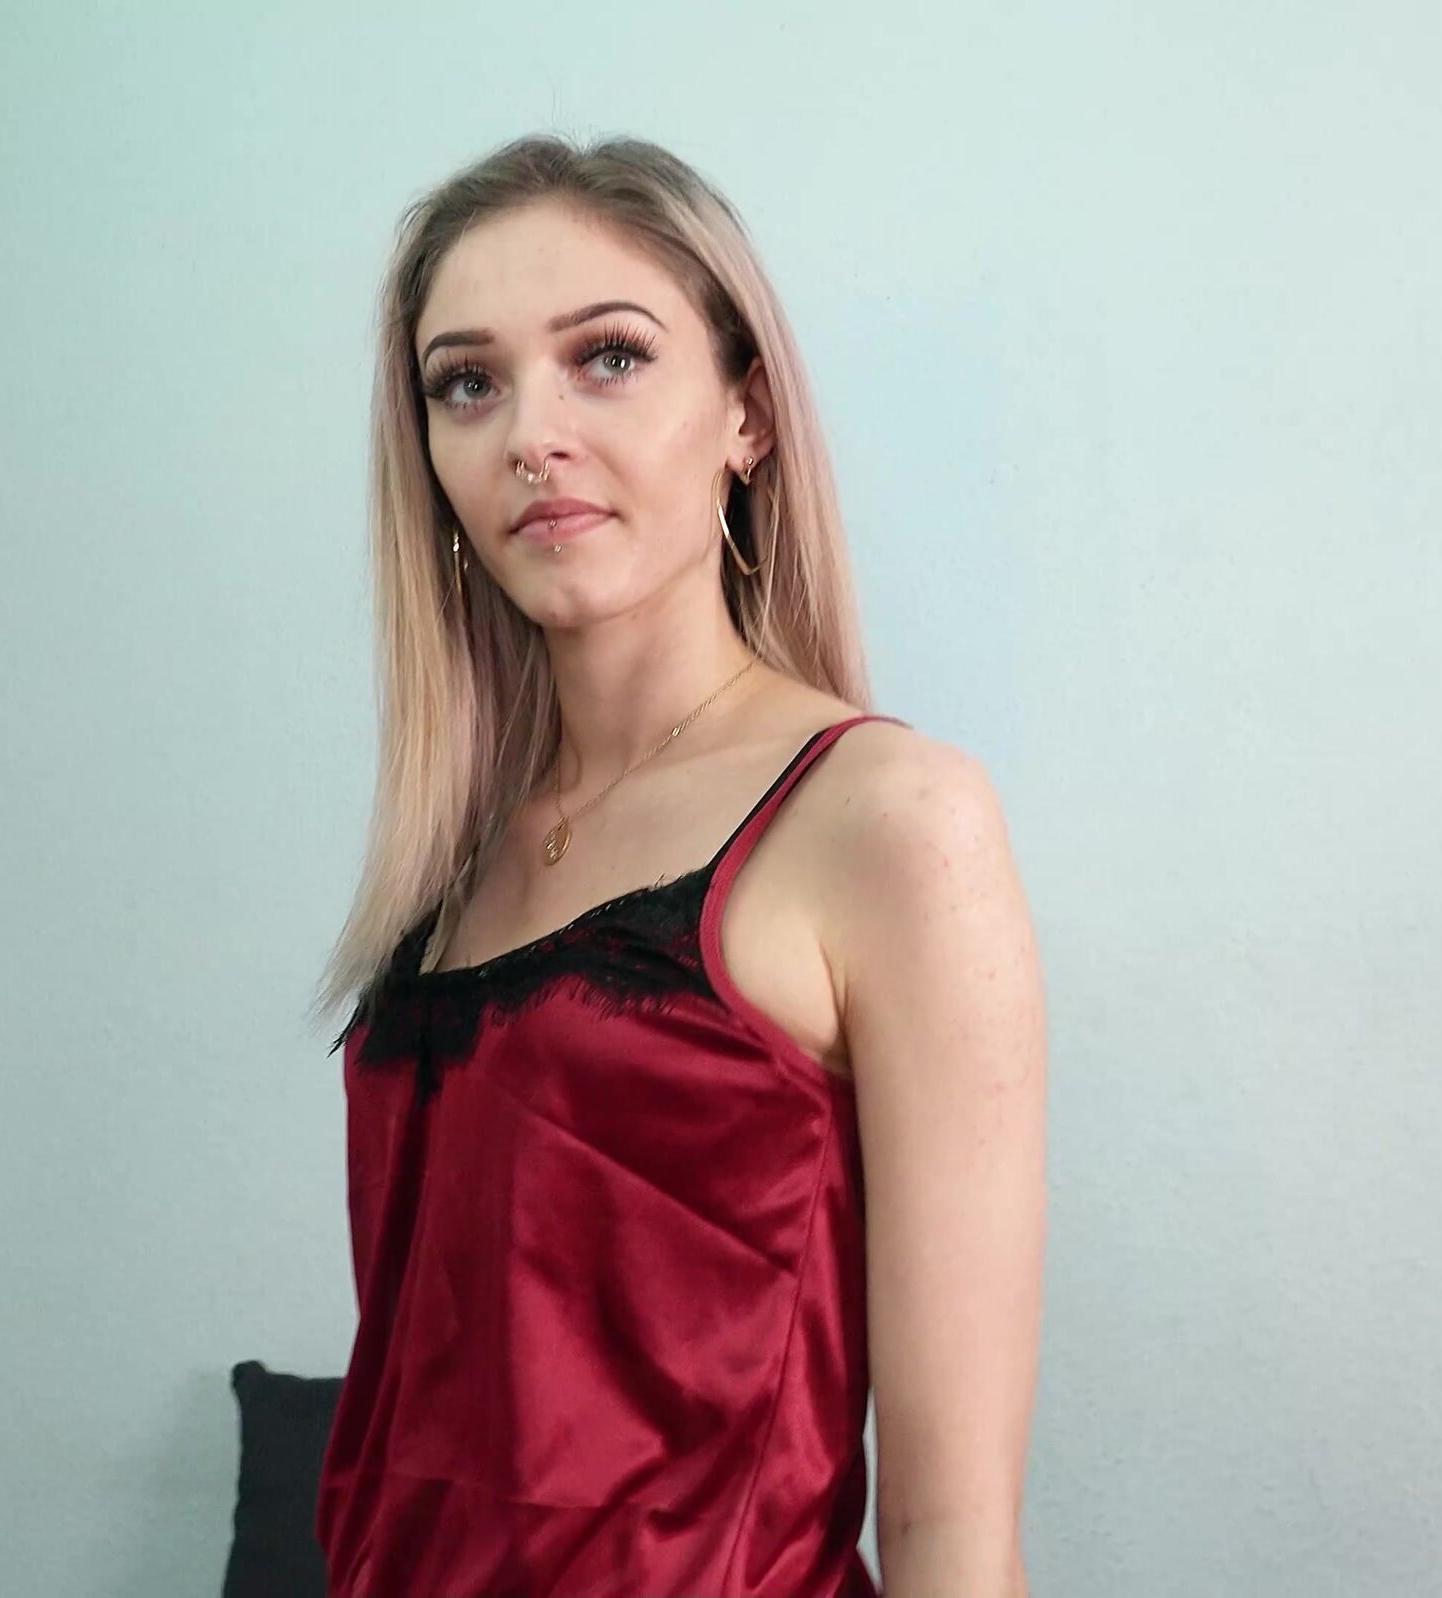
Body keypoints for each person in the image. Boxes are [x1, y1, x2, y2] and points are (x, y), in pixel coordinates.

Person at [308, 132, 1045, 1598]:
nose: (532, 433)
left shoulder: (886, 818)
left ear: (745, 416)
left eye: (609, 357)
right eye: (468, 383)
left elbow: (953, 1535)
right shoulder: (454, 855)